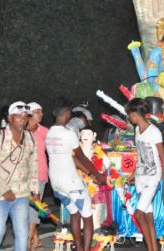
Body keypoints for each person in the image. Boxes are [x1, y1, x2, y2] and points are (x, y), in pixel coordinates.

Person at [46, 97, 105, 251]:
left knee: (74, 213)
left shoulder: (49, 133)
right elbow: (82, 157)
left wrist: (89, 173)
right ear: (66, 114)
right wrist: (97, 174)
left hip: (56, 183)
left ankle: (78, 248)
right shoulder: (68, 134)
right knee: (87, 216)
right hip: (71, 182)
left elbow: (70, 158)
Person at [0, 102, 39, 251]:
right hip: (0, 194)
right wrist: (4, 189)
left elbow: (33, 165)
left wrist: (35, 190)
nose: (22, 119)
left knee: (22, 234)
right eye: (18, 116)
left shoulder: (30, 137)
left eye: (25, 116)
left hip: (22, 193)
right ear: (10, 118)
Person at [125, 98, 164, 251]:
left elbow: (163, 160)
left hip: (153, 177)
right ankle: (153, 249)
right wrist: (133, 174)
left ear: (135, 115)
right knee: (147, 217)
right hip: (140, 177)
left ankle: (151, 249)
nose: (129, 118)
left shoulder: (155, 132)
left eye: (129, 115)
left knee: (139, 214)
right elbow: (141, 156)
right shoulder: (137, 130)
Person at [77, 127, 111, 230]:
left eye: (88, 134)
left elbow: (107, 162)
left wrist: (100, 171)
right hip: (79, 185)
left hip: (95, 186)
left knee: (95, 219)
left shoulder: (99, 149)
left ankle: (94, 241)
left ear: (94, 135)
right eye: (83, 134)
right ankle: (82, 241)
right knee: (81, 218)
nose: (85, 136)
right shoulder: (75, 149)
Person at [26, 102, 49, 250]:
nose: (41, 114)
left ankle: (27, 243)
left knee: (34, 208)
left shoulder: (45, 131)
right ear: (29, 114)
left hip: (39, 174)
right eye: (37, 111)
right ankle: (36, 239)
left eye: (41, 111)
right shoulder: (20, 131)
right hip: (22, 176)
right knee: (23, 208)